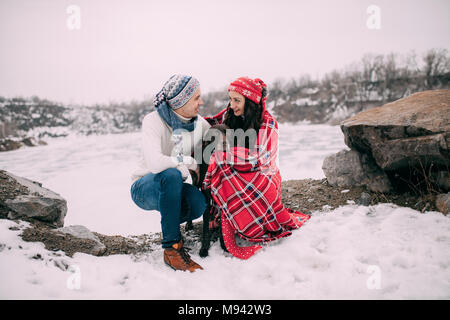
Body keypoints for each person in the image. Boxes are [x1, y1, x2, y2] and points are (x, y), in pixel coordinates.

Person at [202, 76, 311, 260]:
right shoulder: (231, 113)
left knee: (221, 165)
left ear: (250, 101)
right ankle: (226, 220)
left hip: (263, 177)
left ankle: (235, 226)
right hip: (237, 171)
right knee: (220, 162)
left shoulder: (269, 123)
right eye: (230, 99)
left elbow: (259, 159)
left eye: (237, 100)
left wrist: (223, 154)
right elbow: (209, 123)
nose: (232, 104)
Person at [130, 74, 211, 272]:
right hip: (144, 187)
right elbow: (156, 164)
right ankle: (172, 248)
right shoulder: (153, 121)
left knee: (198, 203)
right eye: (196, 98)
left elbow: (218, 131)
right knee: (171, 174)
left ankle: (171, 225)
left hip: (173, 187)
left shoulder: (198, 124)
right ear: (180, 101)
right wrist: (188, 163)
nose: (201, 102)